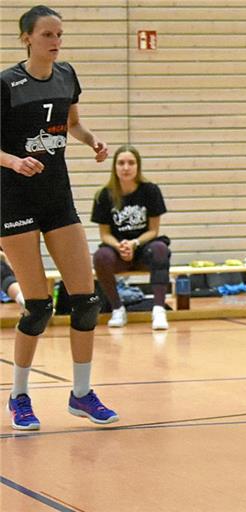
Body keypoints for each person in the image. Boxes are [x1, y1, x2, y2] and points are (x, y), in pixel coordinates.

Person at [0, 5, 118, 430]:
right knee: (37, 308)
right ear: (27, 38)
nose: (55, 42)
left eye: (59, 35)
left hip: (57, 199)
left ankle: (82, 395)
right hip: (13, 200)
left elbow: (72, 125)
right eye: (47, 35)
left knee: (86, 301)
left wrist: (92, 141)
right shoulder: (6, 83)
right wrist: (13, 162)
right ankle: (19, 398)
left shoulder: (67, 75)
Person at [91, 145, 170, 330]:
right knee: (100, 257)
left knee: (161, 249)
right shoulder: (103, 195)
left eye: (131, 163)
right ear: (114, 167)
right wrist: (120, 246)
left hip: (143, 248)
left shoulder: (150, 190)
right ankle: (117, 308)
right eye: (121, 163)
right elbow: (104, 234)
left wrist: (134, 243)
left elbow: (153, 231)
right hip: (118, 251)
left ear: (138, 166)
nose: (126, 167)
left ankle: (159, 309)